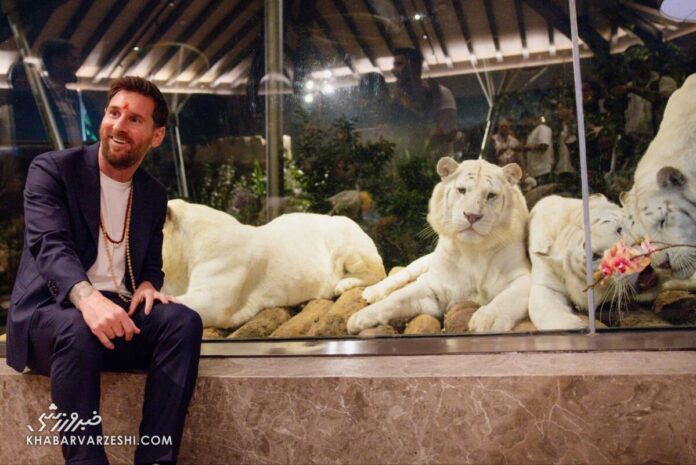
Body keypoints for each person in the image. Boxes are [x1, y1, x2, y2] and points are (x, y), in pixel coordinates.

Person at [6, 76, 203, 465]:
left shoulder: (152, 193)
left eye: (134, 119)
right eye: (114, 113)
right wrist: (88, 300)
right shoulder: (54, 170)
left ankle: (156, 459)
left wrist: (147, 285)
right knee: (78, 328)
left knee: (183, 322)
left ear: (157, 136)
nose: (119, 125)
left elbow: (151, 264)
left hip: (116, 315)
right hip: (51, 315)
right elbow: (50, 246)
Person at [9, 39, 99, 167]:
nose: (77, 65)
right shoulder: (33, 98)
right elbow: (28, 141)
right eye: (73, 59)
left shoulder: (79, 98)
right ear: (57, 61)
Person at [390, 47, 457, 154]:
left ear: (413, 66)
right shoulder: (397, 99)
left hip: (435, 160)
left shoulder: (441, 93)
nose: (393, 71)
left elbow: (449, 131)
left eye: (399, 64)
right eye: (395, 65)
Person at [519, 111, 554, 185]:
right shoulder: (531, 133)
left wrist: (524, 148)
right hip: (535, 172)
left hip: (543, 170)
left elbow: (544, 146)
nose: (524, 124)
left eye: (525, 121)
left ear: (530, 119)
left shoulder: (542, 128)